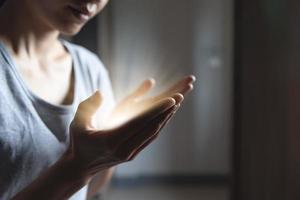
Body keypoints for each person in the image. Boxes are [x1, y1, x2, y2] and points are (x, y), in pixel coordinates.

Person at [0, 0, 196, 199]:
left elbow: (88, 191)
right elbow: (80, 173)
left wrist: (109, 149)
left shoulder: (90, 68)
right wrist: (78, 166)